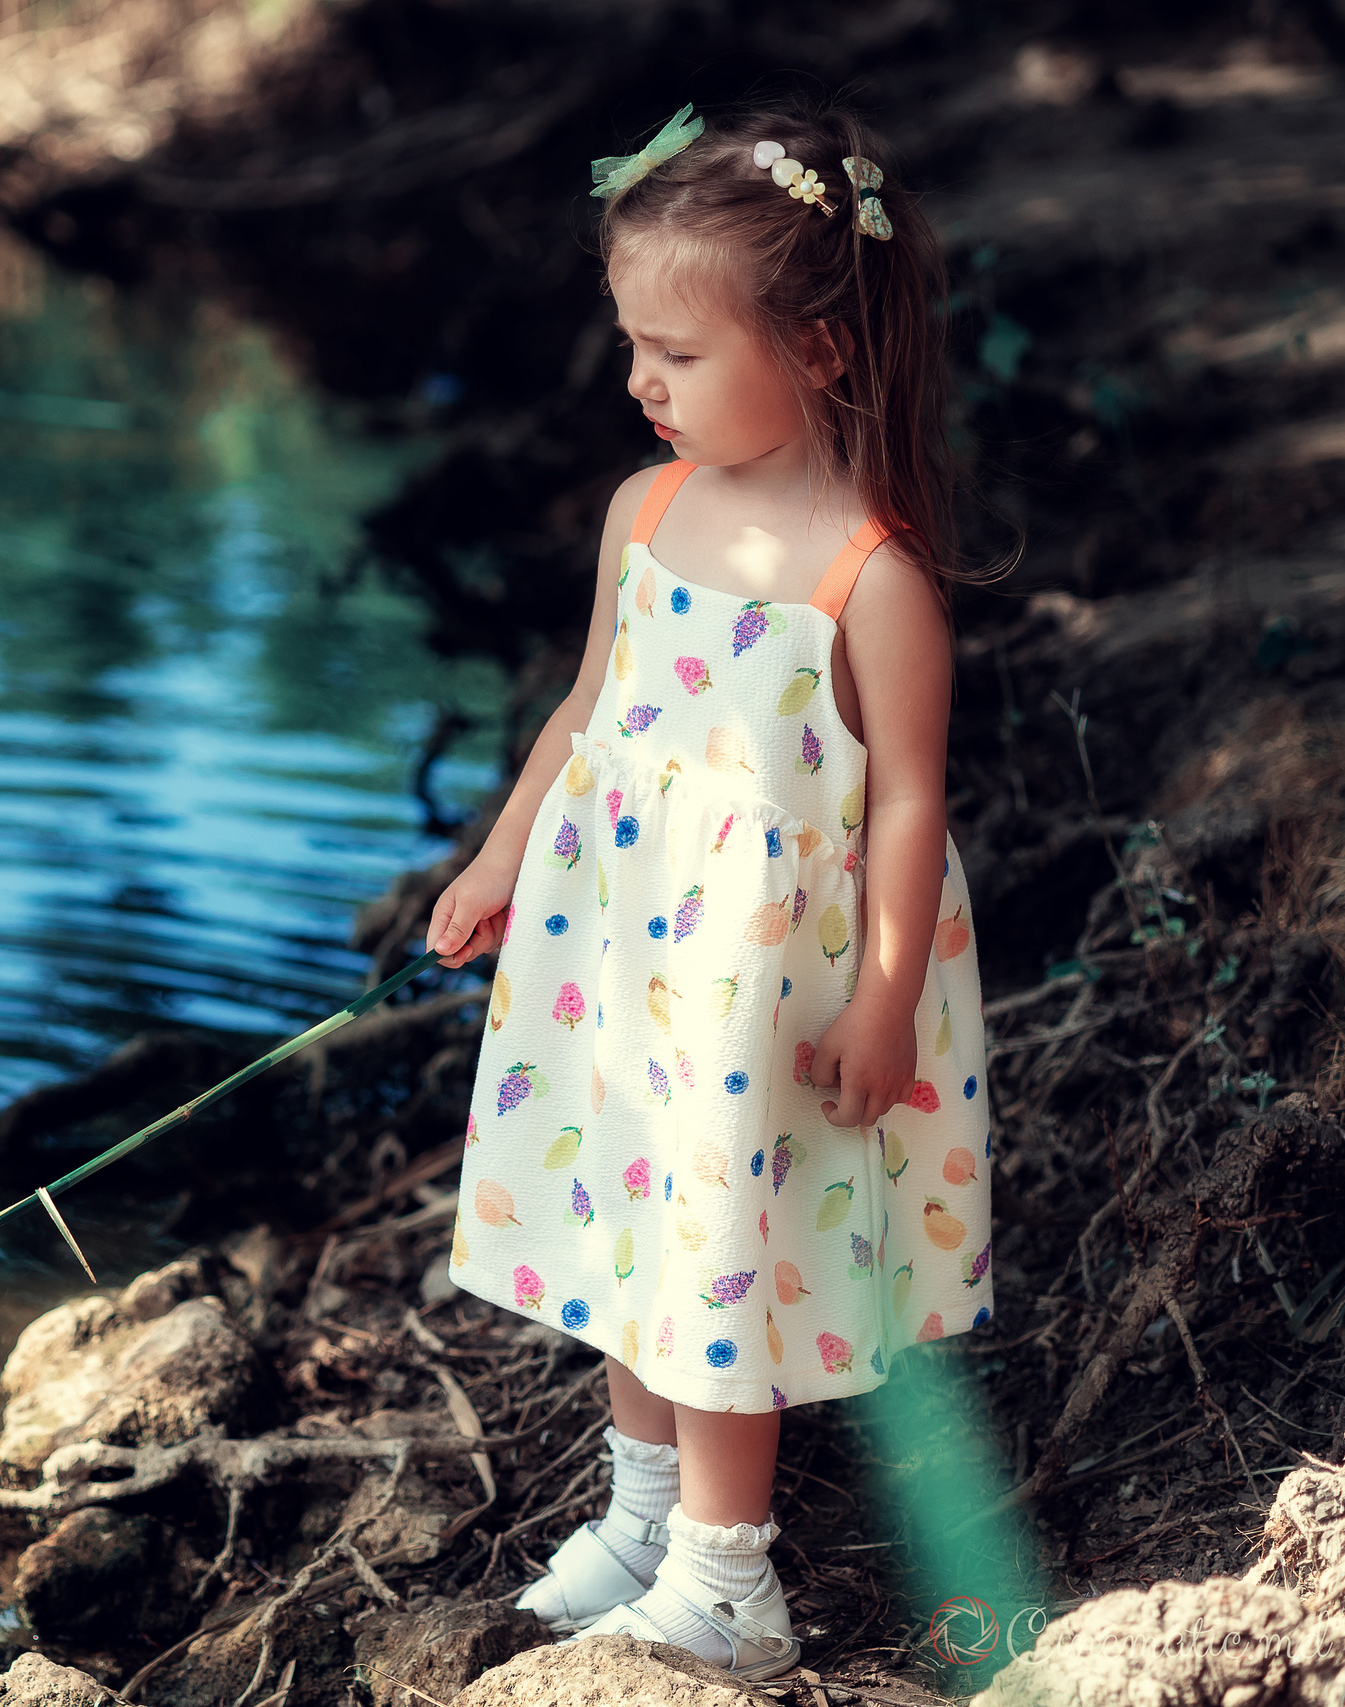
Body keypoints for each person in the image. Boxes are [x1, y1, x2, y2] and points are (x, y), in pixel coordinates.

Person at [424, 97, 995, 1681]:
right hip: (629, 958)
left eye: (677, 352)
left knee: (722, 1251)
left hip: (768, 983)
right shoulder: (646, 513)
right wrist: (499, 855)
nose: (638, 382)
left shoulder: (866, 575)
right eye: (632, 344)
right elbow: (587, 714)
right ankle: (645, 1508)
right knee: (633, 1227)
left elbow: (906, 804)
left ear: (815, 348)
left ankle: (729, 1579)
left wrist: (885, 1000)